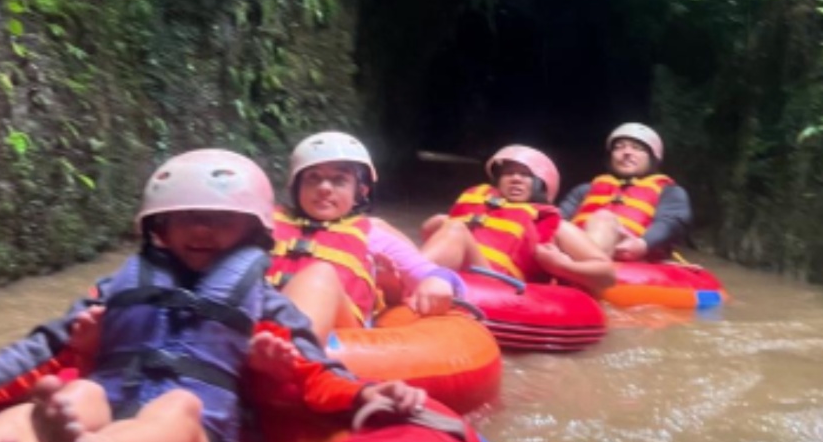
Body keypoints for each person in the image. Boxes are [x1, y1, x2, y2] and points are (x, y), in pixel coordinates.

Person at [0, 150, 422, 442]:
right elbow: (37, 350)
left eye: (219, 219)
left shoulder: (263, 301)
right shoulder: (118, 289)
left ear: (252, 231)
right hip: (112, 404)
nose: (202, 229)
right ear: (159, 229)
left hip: (202, 440)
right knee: (78, 396)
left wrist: (365, 395)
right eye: (186, 217)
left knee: (178, 406)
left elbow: (314, 367)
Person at [270, 131, 466, 339]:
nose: (324, 188)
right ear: (296, 187)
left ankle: (295, 350)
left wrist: (437, 281)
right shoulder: (266, 221)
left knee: (320, 276)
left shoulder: (372, 234)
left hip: (341, 328)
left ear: (359, 193)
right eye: (313, 178)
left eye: (339, 180)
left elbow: (433, 273)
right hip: (263, 314)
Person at [419, 145, 616, 294]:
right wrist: (434, 226)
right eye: (508, 173)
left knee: (455, 230)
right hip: (462, 276)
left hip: (498, 289)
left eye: (525, 175)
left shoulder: (557, 226)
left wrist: (563, 266)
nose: (515, 179)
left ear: (542, 184)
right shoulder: (479, 208)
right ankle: (410, 281)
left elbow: (607, 275)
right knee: (445, 224)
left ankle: (408, 281)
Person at [557, 122, 694, 263]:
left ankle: (586, 268)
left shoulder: (669, 191)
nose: (627, 152)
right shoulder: (585, 189)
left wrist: (642, 244)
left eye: (637, 148)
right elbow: (558, 220)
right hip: (570, 249)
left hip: (634, 256)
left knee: (604, 219)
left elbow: (670, 223)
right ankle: (581, 265)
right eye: (618, 147)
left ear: (652, 158)